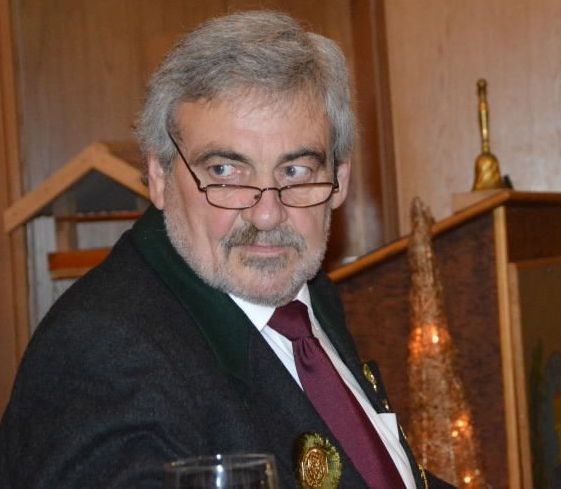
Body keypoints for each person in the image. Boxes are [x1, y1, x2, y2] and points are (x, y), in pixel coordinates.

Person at [0, 10, 454, 489]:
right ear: (158, 176)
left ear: (339, 180)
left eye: (295, 171)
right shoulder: (100, 355)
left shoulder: (303, 295)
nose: (267, 215)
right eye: (225, 172)